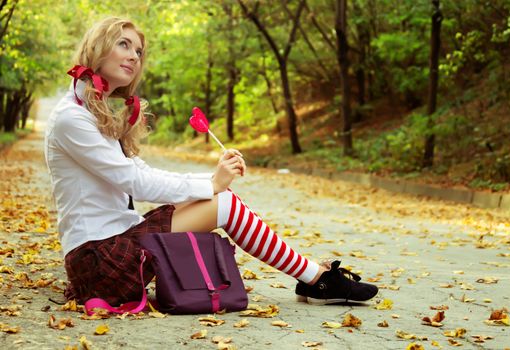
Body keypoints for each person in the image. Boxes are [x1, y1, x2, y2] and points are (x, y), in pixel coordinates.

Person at [44, 17, 378, 308]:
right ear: (98, 47)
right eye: (123, 44)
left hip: (114, 244)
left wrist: (210, 180)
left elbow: (142, 172)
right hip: (100, 261)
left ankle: (313, 277)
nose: (134, 55)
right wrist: (212, 185)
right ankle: (317, 279)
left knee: (218, 200)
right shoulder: (72, 119)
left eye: (139, 51)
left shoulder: (91, 111)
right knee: (225, 204)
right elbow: (135, 182)